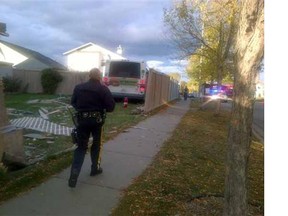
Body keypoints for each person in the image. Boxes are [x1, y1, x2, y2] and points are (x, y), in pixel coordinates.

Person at [68, 68, 115, 188]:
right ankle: (95, 169)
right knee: (97, 144)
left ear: (89, 75)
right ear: (99, 77)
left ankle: (74, 173)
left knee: (81, 147)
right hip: (97, 121)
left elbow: (73, 102)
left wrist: (83, 108)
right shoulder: (103, 89)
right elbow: (111, 107)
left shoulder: (78, 87)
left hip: (82, 121)